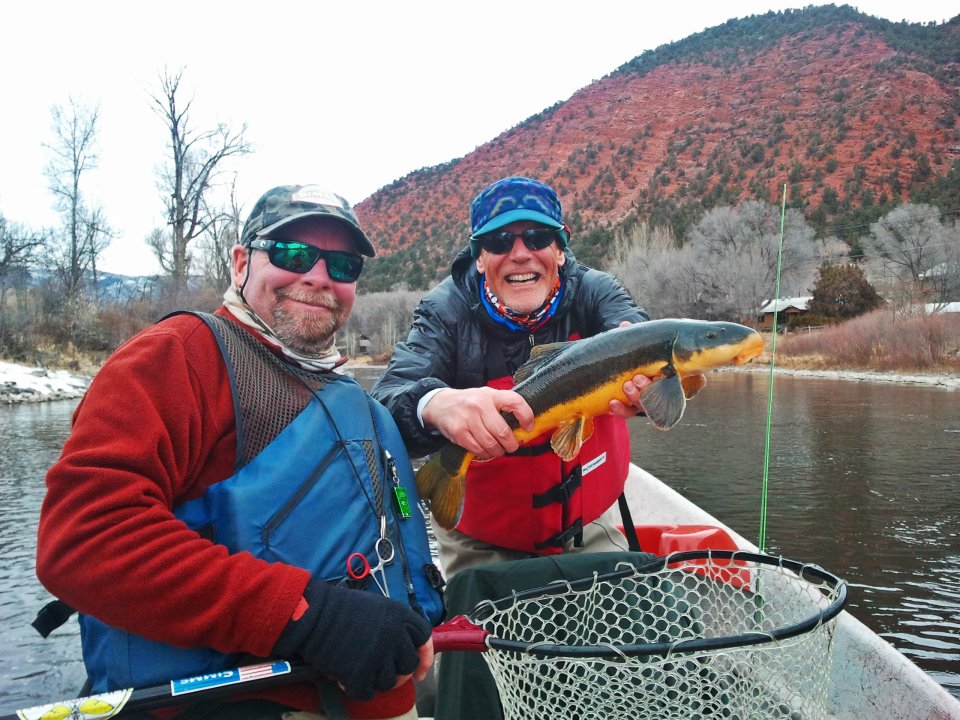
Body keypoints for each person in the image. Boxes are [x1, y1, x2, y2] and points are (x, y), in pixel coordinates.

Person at [35, 185, 444, 720]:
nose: (318, 276)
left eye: (342, 265)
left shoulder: (341, 391)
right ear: (240, 262)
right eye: (291, 253)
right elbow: (82, 538)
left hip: (375, 694)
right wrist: (307, 617)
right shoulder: (178, 355)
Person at [371, 176, 651, 579]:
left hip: (589, 527)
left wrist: (644, 376)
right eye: (500, 242)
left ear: (559, 250)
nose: (520, 254)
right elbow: (386, 401)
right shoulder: (443, 312)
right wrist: (432, 403)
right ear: (479, 257)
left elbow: (634, 331)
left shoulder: (596, 292)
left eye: (537, 237)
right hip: (481, 541)